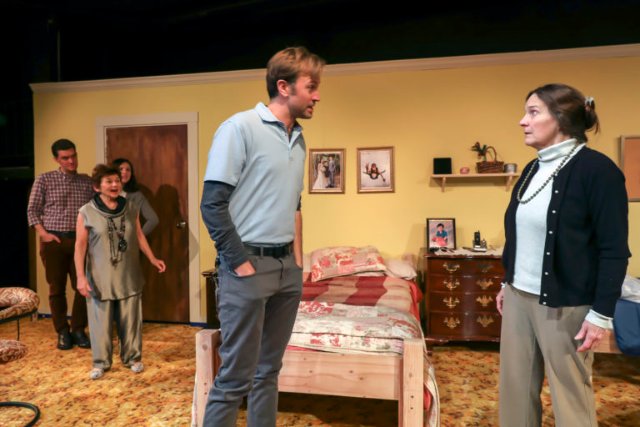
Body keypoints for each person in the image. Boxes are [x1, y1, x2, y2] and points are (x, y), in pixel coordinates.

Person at [200, 46, 324, 426]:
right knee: (234, 378)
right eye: (311, 87)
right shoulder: (239, 128)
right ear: (284, 87)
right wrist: (240, 263)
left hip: (287, 270)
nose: (318, 95)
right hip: (248, 267)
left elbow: (294, 204)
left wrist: (297, 264)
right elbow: (212, 205)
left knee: (268, 372)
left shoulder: (298, 138)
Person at [496, 83, 630, 426]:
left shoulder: (598, 171)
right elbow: (519, 235)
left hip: (566, 304)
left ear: (561, 118)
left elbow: (614, 249)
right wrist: (507, 281)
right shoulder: (531, 169)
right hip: (518, 297)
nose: (522, 121)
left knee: (569, 393)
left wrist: (601, 314)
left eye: (533, 112)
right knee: (514, 390)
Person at [74, 164, 166, 380]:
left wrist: (152, 258)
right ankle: (100, 362)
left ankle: (133, 358)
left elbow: (139, 236)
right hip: (100, 277)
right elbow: (80, 246)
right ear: (97, 187)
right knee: (100, 323)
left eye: (117, 181)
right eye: (109, 181)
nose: (114, 184)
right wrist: (80, 277)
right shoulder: (86, 211)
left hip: (128, 274)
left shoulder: (131, 207)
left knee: (131, 320)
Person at [27, 138, 94, 350]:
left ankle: (78, 329)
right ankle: (62, 331)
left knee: (83, 286)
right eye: (65, 158)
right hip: (53, 241)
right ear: (57, 159)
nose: (71, 161)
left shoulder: (86, 181)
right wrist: (43, 234)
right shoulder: (44, 179)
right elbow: (32, 210)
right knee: (56, 288)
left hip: (79, 241)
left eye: (73, 156)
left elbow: (96, 209)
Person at [111, 158, 159, 236]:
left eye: (128, 170)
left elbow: (153, 220)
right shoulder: (104, 193)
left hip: (126, 241)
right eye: (121, 169)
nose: (125, 172)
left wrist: (137, 237)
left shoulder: (136, 196)